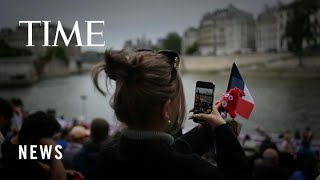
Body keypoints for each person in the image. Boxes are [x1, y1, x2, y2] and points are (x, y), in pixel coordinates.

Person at [92, 50, 251, 179]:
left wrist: (211, 125)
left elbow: (173, 150)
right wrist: (222, 129)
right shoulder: (192, 171)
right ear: (166, 109)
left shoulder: (108, 153)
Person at [1, 111, 66, 180]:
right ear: (37, 139)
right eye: (50, 139)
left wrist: (53, 170)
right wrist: (53, 149)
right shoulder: (24, 166)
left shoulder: (11, 143)